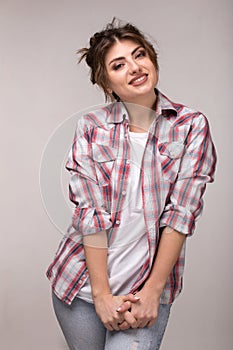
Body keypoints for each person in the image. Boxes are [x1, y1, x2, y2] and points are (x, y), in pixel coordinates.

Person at [46, 18, 217, 350]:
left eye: (140, 55)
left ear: (152, 59)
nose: (135, 68)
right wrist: (101, 296)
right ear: (106, 82)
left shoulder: (190, 126)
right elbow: (91, 215)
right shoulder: (92, 127)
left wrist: (152, 292)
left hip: (145, 292)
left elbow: (181, 215)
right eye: (118, 64)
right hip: (80, 287)